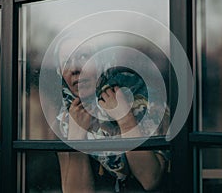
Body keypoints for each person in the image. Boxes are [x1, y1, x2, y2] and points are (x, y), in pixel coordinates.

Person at [55, 43, 170, 192]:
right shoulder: (67, 118)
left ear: (103, 60)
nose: (74, 69)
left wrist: (125, 119)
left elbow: (150, 179)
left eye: (83, 57)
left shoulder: (147, 100)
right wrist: (76, 138)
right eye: (66, 62)